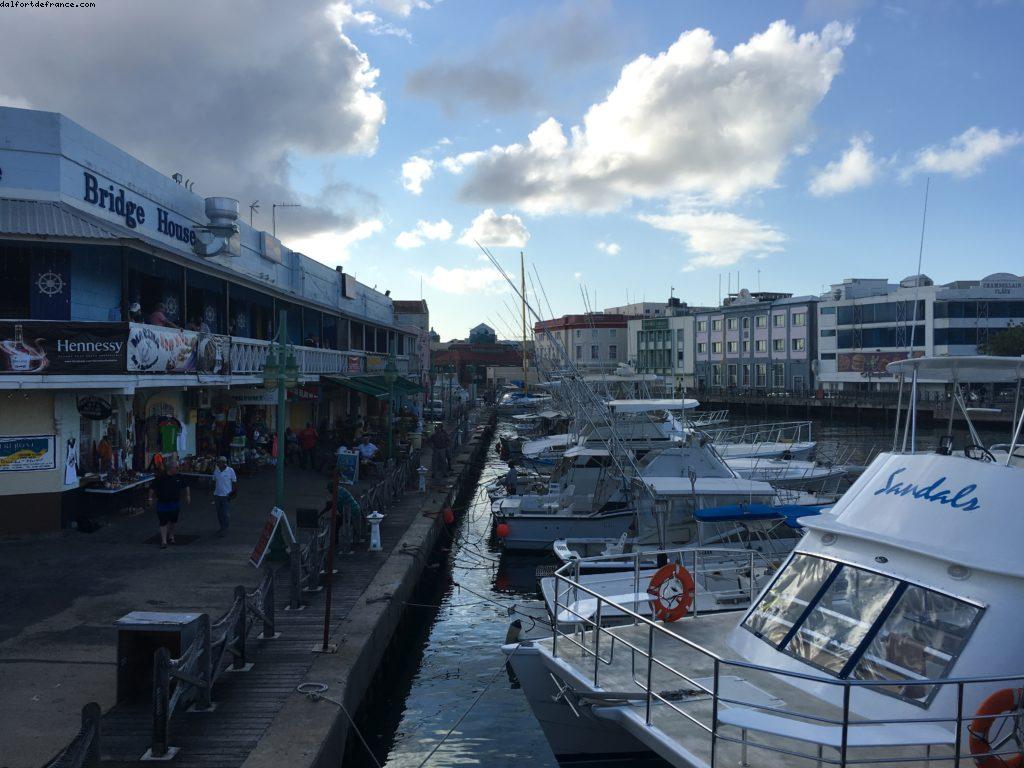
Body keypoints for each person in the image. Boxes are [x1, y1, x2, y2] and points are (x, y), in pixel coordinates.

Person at [149, 459, 190, 548]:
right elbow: (152, 488)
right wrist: (150, 498)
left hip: (175, 503)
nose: (178, 469)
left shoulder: (179, 477)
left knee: (173, 521)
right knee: (163, 521)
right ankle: (164, 541)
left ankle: (171, 536)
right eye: (177, 467)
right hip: (162, 504)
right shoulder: (161, 477)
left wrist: (188, 496)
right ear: (170, 468)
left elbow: (186, 486)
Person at [212, 456, 237, 537]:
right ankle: (222, 527)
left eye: (219, 462)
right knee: (219, 513)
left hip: (226, 495)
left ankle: (225, 528)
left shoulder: (230, 470)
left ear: (223, 463)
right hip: (217, 495)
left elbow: (234, 482)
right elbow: (214, 481)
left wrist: (233, 492)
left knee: (225, 513)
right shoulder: (216, 470)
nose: (218, 464)